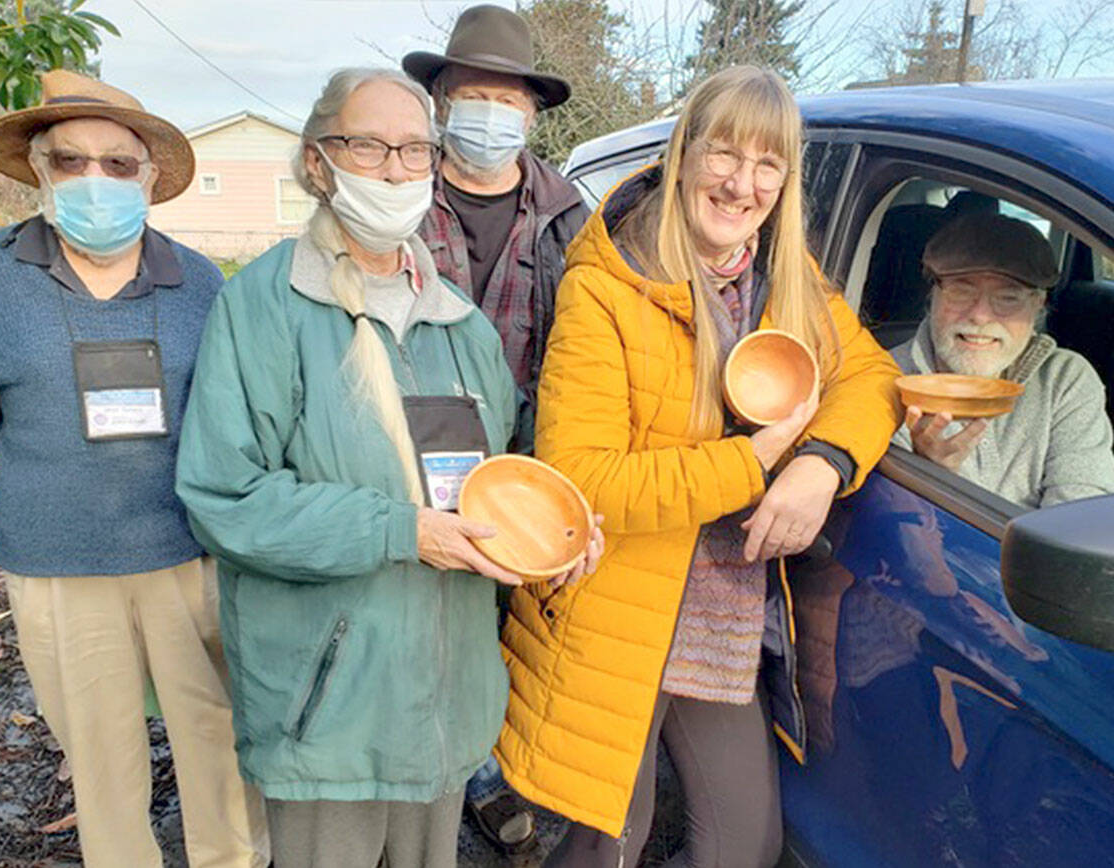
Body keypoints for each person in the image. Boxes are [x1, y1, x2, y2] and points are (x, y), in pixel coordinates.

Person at [173, 68, 601, 868]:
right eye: (367, 146)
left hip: (446, 708)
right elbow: (225, 497)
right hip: (330, 712)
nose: (396, 169)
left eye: (414, 150)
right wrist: (403, 532)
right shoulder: (263, 306)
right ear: (316, 162)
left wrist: (559, 538)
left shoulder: (460, 326)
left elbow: (498, 484)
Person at [493, 66, 903, 867]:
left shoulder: (784, 278)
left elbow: (873, 376)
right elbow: (580, 477)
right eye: (724, 153)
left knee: (745, 840)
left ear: (785, 182)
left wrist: (821, 462)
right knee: (611, 839)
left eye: (768, 164)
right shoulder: (608, 286)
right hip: (616, 604)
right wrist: (748, 465)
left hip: (719, 606)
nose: (742, 184)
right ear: (684, 155)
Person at [0, 71, 268, 868]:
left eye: (118, 164)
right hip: (57, 560)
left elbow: (224, 414)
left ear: (150, 176)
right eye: (71, 160)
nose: (95, 179)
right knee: (100, 755)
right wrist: (59, 480)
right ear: (39, 171)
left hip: (186, 552)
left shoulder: (198, 280)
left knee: (218, 738)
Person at [402, 4, 589, 851]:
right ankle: (410, 775)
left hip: (523, 451)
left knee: (500, 621)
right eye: (472, 94)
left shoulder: (570, 215)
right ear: (441, 100)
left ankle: (484, 768)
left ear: (532, 113)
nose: (489, 115)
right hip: (406, 448)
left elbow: (587, 345)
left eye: (507, 100)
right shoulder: (395, 198)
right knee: (414, 610)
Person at [892, 211, 1114, 507]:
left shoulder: (1065, 379)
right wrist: (931, 473)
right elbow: (900, 530)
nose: (980, 315)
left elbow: (1086, 518)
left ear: (1038, 306)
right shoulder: (886, 380)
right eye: (961, 292)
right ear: (932, 296)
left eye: (1007, 298)